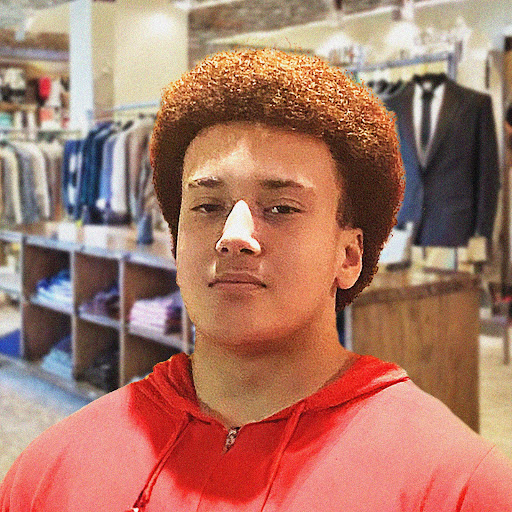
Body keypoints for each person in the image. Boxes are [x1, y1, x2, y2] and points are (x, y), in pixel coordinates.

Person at [2, 48, 512, 512]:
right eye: (207, 206)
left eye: (281, 208)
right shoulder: (52, 473)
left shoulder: (457, 488)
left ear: (349, 255)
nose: (233, 236)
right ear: (177, 243)